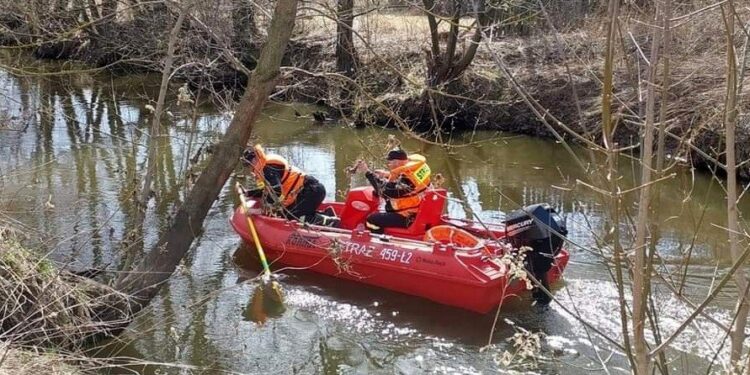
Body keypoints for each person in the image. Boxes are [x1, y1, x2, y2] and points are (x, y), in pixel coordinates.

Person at [241, 144, 334, 225]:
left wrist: (260, 211)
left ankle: (330, 222)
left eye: (249, 165)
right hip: (307, 191)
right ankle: (327, 214)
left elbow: (277, 191)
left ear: (254, 160)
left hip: (311, 191)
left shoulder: (268, 169)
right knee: (287, 213)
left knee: (294, 217)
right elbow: (269, 190)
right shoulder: (265, 167)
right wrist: (248, 193)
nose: (250, 169)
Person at [354, 147, 432, 233]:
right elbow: (405, 178)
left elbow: (385, 191)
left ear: (397, 162)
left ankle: (378, 239)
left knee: (371, 219)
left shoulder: (407, 182)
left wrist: (367, 173)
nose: (388, 165)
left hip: (407, 216)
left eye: (390, 162)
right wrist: (386, 174)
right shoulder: (416, 170)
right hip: (418, 211)